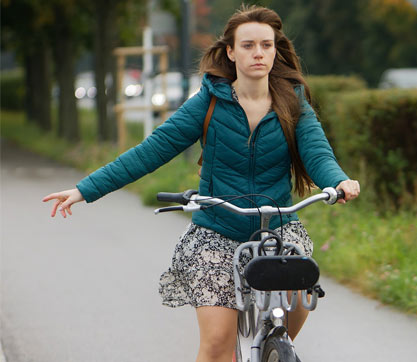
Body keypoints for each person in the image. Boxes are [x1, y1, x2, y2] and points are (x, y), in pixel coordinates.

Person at [42, 5, 360, 362]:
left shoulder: (293, 102)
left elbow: (317, 153)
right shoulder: (209, 102)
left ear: (275, 49)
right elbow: (151, 151)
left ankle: (272, 347)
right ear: (230, 51)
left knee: (299, 300)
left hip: (278, 227)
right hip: (217, 231)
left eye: (267, 45)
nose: (259, 53)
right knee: (216, 345)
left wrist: (340, 181)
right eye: (249, 45)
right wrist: (85, 189)